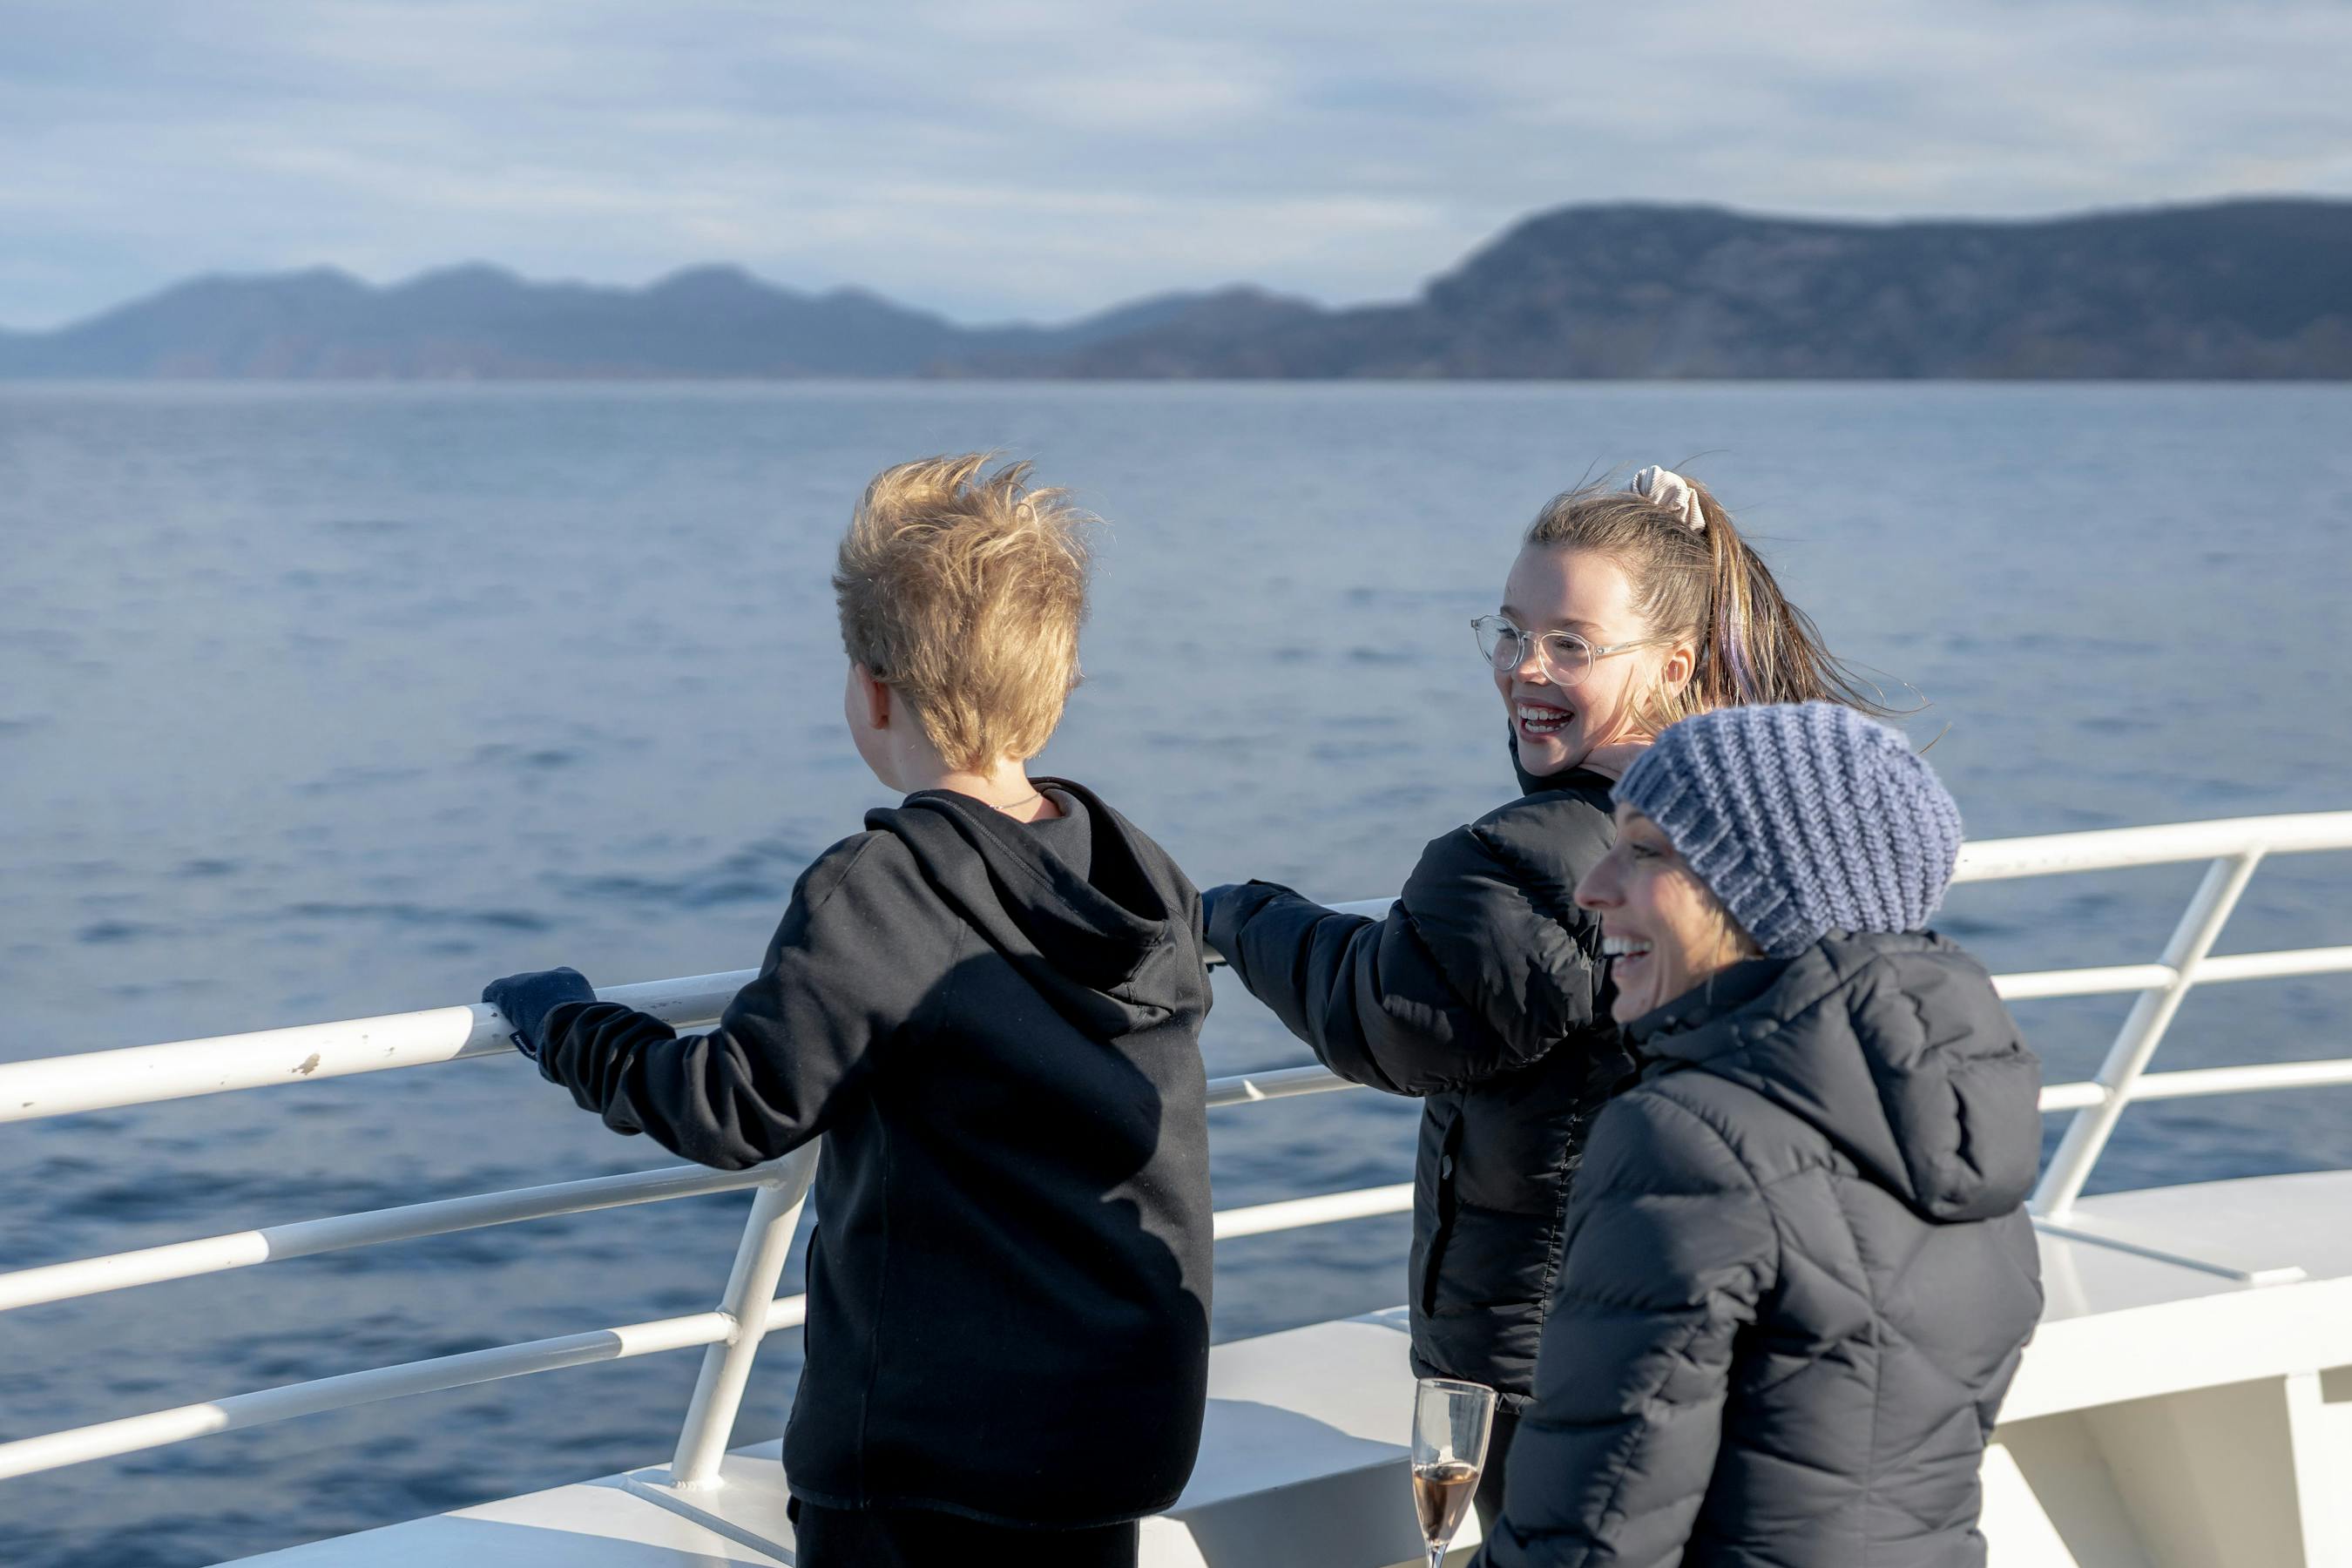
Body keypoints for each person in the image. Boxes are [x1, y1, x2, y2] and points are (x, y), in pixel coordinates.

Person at [479, 456, 1213, 1568]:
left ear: (873, 691)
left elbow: (731, 1107)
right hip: (1104, 1437)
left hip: (931, 1458)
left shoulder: (885, 885)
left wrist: (566, 1023)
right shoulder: (1137, 873)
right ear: (1058, 686)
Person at [1201, 465, 1879, 1538]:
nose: (1526, 668)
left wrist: (1233, 915)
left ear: (1673, 663)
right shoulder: (1769, 819)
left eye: (1570, 642)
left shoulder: (1518, 859)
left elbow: (1390, 1012)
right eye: (1511, 632)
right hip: (1726, 1318)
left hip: (1549, 1357)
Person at [1487, 702, 2044, 1568]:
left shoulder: (1684, 1141)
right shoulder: (1959, 1117)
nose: (1593, 886)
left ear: (1761, 899)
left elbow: (1591, 1540)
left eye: (1647, 849)